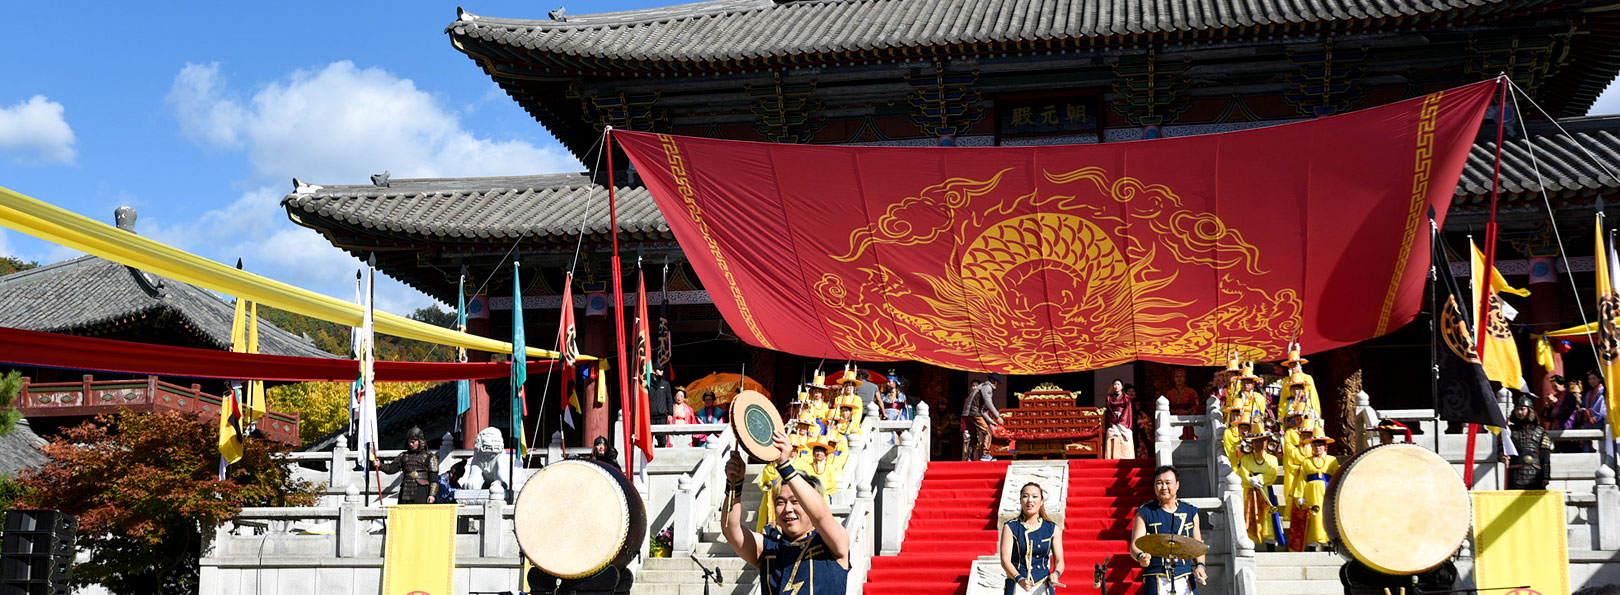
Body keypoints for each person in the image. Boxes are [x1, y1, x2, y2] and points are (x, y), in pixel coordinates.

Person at [722, 430, 850, 595]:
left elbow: (821, 516)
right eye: (780, 502)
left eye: (796, 501)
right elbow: (731, 530)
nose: (788, 509)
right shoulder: (769, 548)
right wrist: (735, 484)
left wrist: (785, 466)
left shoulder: (833, 544)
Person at [1130, 466, 1207, 593]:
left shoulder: (1190, 511)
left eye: (1168, 483)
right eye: (1159, 483)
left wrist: (1200, 566)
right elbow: (1135, 544)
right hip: (1156, 576)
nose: (1164, 487)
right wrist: (1141, 556)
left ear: (1177, 485)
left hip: (1185, 576)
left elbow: (1198, 545)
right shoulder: (1145, 512)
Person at [998, 482, 1065, 595]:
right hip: (1017, 584)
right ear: (1020, 500)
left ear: (1042, 501)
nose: (1030, 500)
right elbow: (1005, 561)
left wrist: (1056, 574)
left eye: (1035, 496)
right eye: (1025, 496)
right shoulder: (1010, 527)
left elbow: (1060, 561)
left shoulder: (1052, 528)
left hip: (1043, 584)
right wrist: (1019, 578)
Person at [1290, 430, 1339, 551]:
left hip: (1326, 491)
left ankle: (1327, 542)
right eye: (1315, 445)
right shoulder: (1306, 461)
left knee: (1326, 515)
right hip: (1311, 492)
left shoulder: (1332, 460)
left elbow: (1336, 477)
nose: (1318, 448)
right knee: (1312, 516)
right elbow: (1302, 479)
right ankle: (1312, 544)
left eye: (1320, 445)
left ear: (1325, 447)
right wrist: (1300, 495)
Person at [1236, 432, 1282, 550]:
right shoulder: (1246, 459)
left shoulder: (1272, 459)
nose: (1258, 444)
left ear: (1266, 443)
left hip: (1266, 491)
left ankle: (1270, 547)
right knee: (1251, 516)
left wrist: (1260, 479)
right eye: (1255, 441)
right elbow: (1243, 473)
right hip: (1251, 492)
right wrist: (1250, 480)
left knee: (1268, 519)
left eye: (1261, 441)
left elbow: (1272, 473)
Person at [371, 426, 440, 504]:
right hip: (405, 491)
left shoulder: (430, 456)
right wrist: (380, 465)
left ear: (420, 441)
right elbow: (391, 468)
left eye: (413, 442)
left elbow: (434, 479)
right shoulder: (403, 456)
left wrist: (432, 495)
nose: (410, 444)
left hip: (422, 491)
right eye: (409, 441)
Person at [1505, 392, 1552, 490]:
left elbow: (1545, 456)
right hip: (1515, 471)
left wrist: (1546, 476)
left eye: (1522, 409)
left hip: (1536, 472)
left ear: (1529, 410)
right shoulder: (1509, 430)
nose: (1519, 412)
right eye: (1517, 409)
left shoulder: (1540, 431)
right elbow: (1502, 448)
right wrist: (1502, 455)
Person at [964, 374, 1005, 461]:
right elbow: (988, 403)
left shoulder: (981, 386)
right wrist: (998, 417)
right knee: (987, 432)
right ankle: (985, 455)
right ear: (995, 381)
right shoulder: (987, 387)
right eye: (998, 383)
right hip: (974, 413)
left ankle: (969, 458)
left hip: (967, 414)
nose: (997, 385)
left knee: (973, 437)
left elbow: (983, 410)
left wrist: (991, 421)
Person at [1166, 368, 1200, 440]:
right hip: (1174, 417)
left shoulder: (1191, 391)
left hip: (1188, 418)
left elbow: (1196, 405)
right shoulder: (1170, 393)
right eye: (1177, 376)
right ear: (1174, 378)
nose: (1179, 379)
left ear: (1184, 378)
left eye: (1181, 376)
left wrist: (1189, 411)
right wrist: (1172, 411)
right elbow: (1167, 406)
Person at [1104, 379, 1134, 460]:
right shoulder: (1109, 398)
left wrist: (1121, 421)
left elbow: (1128, 410)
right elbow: (1109, 411)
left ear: (1122, 386)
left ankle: (1126, 456)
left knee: (1126, 434)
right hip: (1113, 418)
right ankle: (1111, 456)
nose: (1116, 386)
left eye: (1118, 384)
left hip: (1123, 419)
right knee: (1111, 432)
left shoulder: (1126, 397)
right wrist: (1114, 420)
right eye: (1115, 384)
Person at [648, 368, 675, 446]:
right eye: (659, 370)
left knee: (662, 441)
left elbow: (669, 399)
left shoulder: (665, 384)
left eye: (662, 370)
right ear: (653, 371)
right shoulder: (647, 384)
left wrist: (670, 413)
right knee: (649, 441)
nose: (662, 371)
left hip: (662, 417)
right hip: (650, 417)